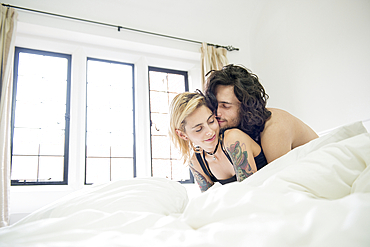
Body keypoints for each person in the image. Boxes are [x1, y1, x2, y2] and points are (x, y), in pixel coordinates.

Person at [205, 64, 319, 163]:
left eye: (225, 106)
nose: (217, 113)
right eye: (214, 104)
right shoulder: (233, 129)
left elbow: (280, 180)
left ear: (245, 106)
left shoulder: (273, 127)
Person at [169, 91, 268, 192]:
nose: (210, 131)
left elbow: (249, 192)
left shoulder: (233, 140)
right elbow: (209, 199)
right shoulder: (196, 161)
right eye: (199, 129)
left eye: (211, 121)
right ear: (182, 134)